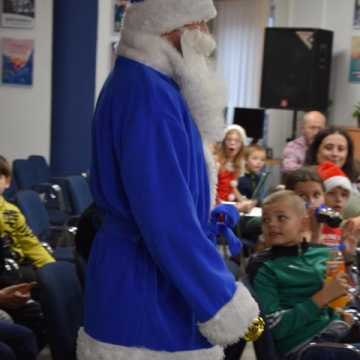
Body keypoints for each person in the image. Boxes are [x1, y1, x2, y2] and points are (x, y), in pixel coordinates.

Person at [78, 1, 259, 359]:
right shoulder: (148, 95)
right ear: (169, 26)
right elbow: (166, 221)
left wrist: (207, 215)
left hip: (151, 279)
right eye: (199, 25)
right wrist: (222, 298)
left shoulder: (151, 85)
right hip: (146, 292)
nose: (206, 37)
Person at [248, 190, 358, 359]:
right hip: (303, 347)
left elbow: (344, 295)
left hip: (334, 330)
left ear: (303, 223)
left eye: (281, 218)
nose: (271, 224)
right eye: (265, 220)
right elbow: (271, 328)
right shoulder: (265, 268)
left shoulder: (322, 253)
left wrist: (348, 261)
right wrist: (322, 298)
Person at [0, 156, 54, 284]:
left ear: (7, 182)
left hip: (16, 264)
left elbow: (30, 243)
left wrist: (51, 268)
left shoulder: (11, 211)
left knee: (51, 278)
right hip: (5, 269)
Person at [214, 125, 255, 212]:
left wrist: (244, 201)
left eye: (237, 141)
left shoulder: (237, 165)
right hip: (216, 205)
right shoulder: (216, 162)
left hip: (227, 204)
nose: (232, 143)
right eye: (229, 140)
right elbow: (211, 189)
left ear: (241, 145)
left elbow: (232, 188)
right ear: (224, 142)